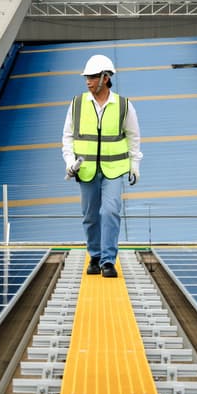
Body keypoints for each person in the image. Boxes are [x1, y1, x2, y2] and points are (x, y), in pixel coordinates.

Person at [62, 54, 142, 278]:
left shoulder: (124, 106)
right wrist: (70, 162)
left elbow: (134, 137)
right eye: (87, 77)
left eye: (93, 77)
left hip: (114, 170)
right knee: (90, 216)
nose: (88, 81)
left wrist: (134, 165)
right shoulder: (77, 104)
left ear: (106, 78)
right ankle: (94, 256)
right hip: (86, 171)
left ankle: (108, 260)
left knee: (110, 211)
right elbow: (67, 137)